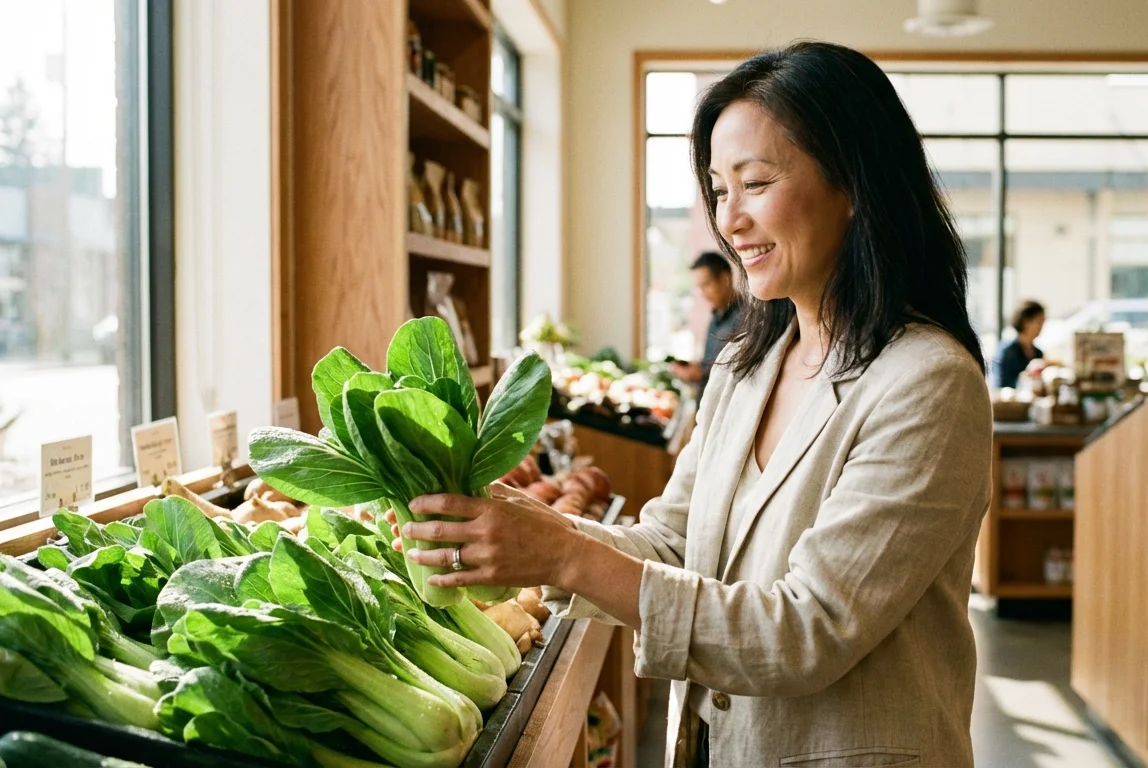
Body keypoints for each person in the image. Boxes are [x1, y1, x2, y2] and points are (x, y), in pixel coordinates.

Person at [388, 41, 992, 768]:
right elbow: (673, 546)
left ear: (854, 184)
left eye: (756, 182)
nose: (730, 221)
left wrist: (564, 551)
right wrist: (528, 532)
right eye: (718, 190)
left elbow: (809, 630)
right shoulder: (746, 369)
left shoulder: (927, 383)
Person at [670, 251, 739, 392]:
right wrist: (695, 369)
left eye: (706, 285)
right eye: (699, 287)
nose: (702, 293)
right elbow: (711, 362)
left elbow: (737, 373)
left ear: (726, 279)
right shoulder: (716, 316)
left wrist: (700, 373)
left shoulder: (747, 319)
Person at [996, 300, 1046, 389]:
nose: (1041, 327)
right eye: (1038, 322)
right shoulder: (1007, 351)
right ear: (1025, 322)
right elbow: (999, 384)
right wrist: (1022, 379)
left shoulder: (1039, 353)